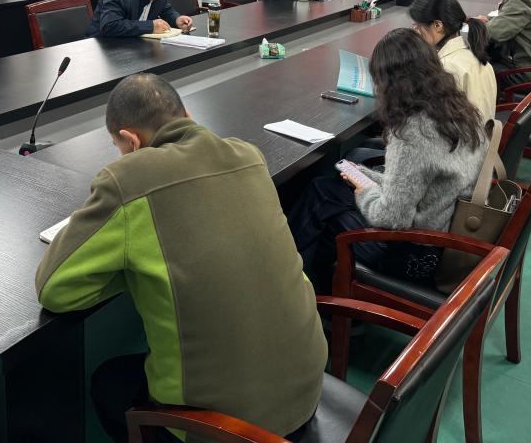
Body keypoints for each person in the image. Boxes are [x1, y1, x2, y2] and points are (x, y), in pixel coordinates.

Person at [35, 74, 326, 443]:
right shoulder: (248, 155)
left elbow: (53, 289)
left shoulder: (128, 179)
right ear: (186, 115)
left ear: (130, 141)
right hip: (306, 392)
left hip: (226, 430)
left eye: (118, 147)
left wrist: (135, 272)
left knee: (109, 384)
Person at [288, 28, 488, 292]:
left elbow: (392, 218)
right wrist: (366, 176)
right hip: (449, 238)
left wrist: (365, 191)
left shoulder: (413, 131)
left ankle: (288, 282)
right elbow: (422, 185)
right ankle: (319, 287)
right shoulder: (459, 110)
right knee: (333, 185)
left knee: (320, 197)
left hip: (416, 256)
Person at [409, 0, 497, 122]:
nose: (416, 32)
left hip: (464, 135)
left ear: (438, 25)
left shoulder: (446, 68)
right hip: (485, 133)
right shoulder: (476, 57)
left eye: (417, 26)